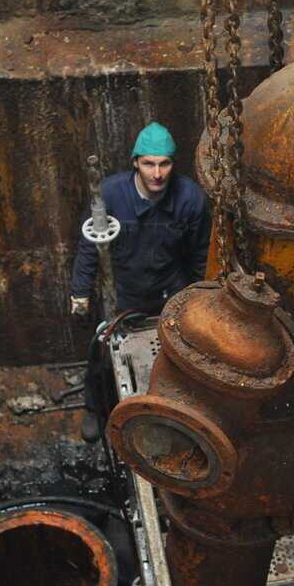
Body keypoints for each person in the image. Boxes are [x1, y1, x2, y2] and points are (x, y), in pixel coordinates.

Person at [69, 122, 211, 438]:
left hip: (169, 292)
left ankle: (165, 418)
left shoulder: (190, 199)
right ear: (135, 162)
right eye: (148, 163)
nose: (157, 173)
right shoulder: (108, 194)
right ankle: (96, 410)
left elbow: (201, 255)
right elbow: (89, 248)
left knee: (172, 361)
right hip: (122, 293)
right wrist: (80, 295)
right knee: (103, 356)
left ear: (173, 164)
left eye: (164, 164)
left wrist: (202, 299)